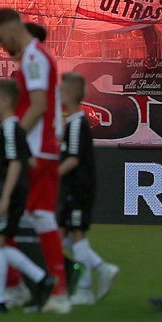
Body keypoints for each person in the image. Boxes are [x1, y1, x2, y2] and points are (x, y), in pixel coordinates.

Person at [0, 8, 68, 311]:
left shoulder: (34, 58)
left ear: (10, 27)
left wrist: (11, 144)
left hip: (33, 150)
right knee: (42, 217)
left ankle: (16, 284)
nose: (0, 44)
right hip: (42, 147)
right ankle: (56, 290)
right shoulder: (36, 56)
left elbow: (37, 106)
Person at [0, 79, 58, 315]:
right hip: (9, 192)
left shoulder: (10, 128)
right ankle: (41, 279)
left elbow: (15, 164)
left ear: (7, 102)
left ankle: (0, 299)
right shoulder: (15, 128)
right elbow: (28, 159)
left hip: (6, 193)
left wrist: (6, 196)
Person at [57, 73, 117, 305]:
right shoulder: (74, 122)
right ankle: (99, 270)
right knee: (64, 235)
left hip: (77, 188)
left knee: (77, 234)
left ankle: (85, 288)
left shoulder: (75, 124)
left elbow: (73, 159)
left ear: (70, 94)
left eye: (62, 90)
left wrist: (53, 175)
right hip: (73, 188)